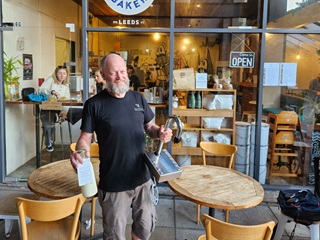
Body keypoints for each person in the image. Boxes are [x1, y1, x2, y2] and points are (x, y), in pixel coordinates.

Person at [70, 53, 173, 240]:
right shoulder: (94, 105)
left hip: (142, 179)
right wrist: (80, 153)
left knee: (145, 227)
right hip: (114, 184)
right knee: (114, 235)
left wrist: (160, 132)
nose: (120, 77)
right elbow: (85, 138)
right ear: (102, 74)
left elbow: (150, 127)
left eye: (123, 71)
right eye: (114, 73)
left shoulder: (138, 98)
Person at [38, 66, 70, 152]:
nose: (62, 76)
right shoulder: (50, 80)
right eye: (60, 73)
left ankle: (50, 138)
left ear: (66, 75)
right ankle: (49, 140)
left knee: (71, 113)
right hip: (49, 105)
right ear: (56, 74)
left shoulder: (66, 85)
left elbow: (67, 100)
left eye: (64, 73)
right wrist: (52, 92)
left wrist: (65, 111)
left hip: (60, 107)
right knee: (48, 113)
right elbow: (40, 90)